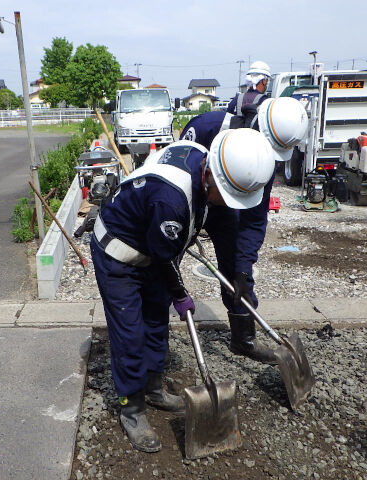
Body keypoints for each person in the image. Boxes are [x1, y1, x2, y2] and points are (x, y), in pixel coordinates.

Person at [90, 131, 276, 453]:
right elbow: (164, 258)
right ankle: (131, 409)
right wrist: (180, 293)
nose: (228, 204)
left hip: (152, 245)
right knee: (130, 333)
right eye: (226, 195)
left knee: (156, 322)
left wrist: (239, 276)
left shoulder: (210, 164)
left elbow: (223, 232)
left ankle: (153, 388)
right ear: (209, 175)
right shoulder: (171, 199)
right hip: (118, 253)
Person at [180, 71, 309, 364]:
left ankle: (243, 339)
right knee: (164, 267)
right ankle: (155, 345)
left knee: (238, 270)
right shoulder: (206, 127)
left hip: (229, 208)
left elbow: (254, 219)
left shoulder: (262, 161)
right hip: (193, 201)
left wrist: (242, 267)